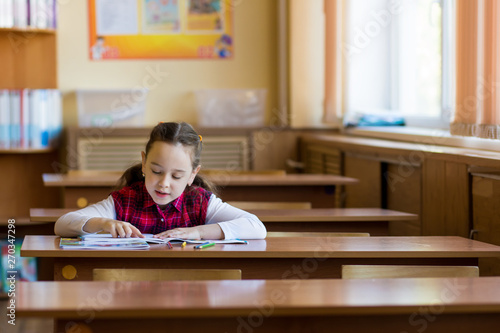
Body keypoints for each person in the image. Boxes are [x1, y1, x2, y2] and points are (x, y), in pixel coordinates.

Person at [55, 122, 266, 240]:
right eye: (156, 171)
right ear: (144, 163)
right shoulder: (123, 201)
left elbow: (256, 227)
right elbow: (62, 224)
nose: (164, 183)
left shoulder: (201, 202)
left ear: (193, 174)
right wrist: (103, 222)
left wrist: (198, 231)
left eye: (176, 176)